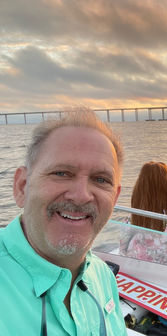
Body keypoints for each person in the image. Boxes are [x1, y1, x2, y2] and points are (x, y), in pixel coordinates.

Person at [0, 108, 127, 335]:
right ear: (22, 186)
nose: (81, 195)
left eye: (101, 179)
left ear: (114, 198)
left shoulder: (102, 276)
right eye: (61, 173)